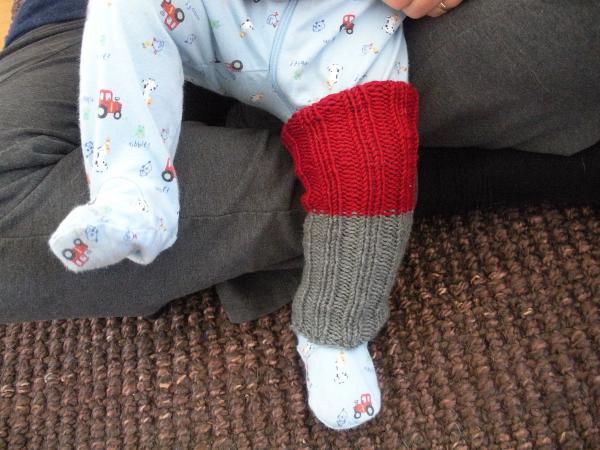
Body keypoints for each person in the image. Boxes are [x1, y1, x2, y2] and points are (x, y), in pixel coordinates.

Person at [1, 0, 599, 430]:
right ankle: (144, 193)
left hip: (351, 28)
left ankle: (331, 320)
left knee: (579, 36)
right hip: (134, 18)